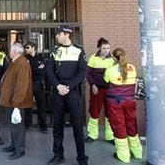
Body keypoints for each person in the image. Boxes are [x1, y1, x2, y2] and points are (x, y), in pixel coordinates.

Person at [46, 25, 89, 165]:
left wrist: (69, 87)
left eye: (58, 34)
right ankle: (58, 155)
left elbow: (83, 72)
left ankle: (82, 158)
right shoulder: (54, 51)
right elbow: (49, 72)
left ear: (66, 34)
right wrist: (58, 86)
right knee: (57, 126)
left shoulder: (78, 50)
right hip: (58, 91)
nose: (56, 36)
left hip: (73, 92)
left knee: (78, 127)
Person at [104, 48, 142, 163]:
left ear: (114, 58)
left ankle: (124, 156)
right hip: (130, 102)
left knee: (119, 127)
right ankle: (137, 152)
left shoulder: (110, 70)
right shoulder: (132, 67)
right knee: (132, 126)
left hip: (115, 103)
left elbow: (106, 81)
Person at [0, 42, 33, 160]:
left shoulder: (22, 63)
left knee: (18, 126)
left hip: (16, 103)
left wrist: (17, 103)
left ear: (14, 52)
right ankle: (14, 146)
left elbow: (21, 85)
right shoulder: (16, 62)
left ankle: (19, 149)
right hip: (12, 101)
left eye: (10, 51)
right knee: (14, 125)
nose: (9, 52)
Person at [86, 37, 114, 143]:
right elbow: (88, 73)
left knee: (109, 112)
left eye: (108, 48)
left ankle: (110, 136)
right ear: (99, 48)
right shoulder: (93, 58)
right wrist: (92, 84)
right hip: (96, 89)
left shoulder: (112, 60)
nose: (106, 51)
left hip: (110, 90)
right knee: (94, 111)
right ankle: (92, 135)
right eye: (104, 48)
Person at [24, 41, 48, 133]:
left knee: (41, 105)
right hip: (28, 84)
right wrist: (37, 68)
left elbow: (43, 70)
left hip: (38, 84)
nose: (26, 49)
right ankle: (27, 124)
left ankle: (43, 125)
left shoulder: (40, 58)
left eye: (28, 47)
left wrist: (32, 68)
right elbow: (26, 71)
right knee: (27, 105)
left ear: (33, 48)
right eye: (25, 48)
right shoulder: (25, 58)